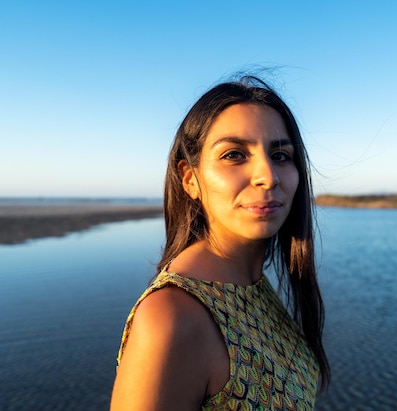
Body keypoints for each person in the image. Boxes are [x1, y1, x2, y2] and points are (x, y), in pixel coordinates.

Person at [110, 76, 330, 410]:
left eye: (281, 155)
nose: (267, 176)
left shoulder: (251, 283)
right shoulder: (171, 317)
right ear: (189, 179)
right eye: (234, 154)